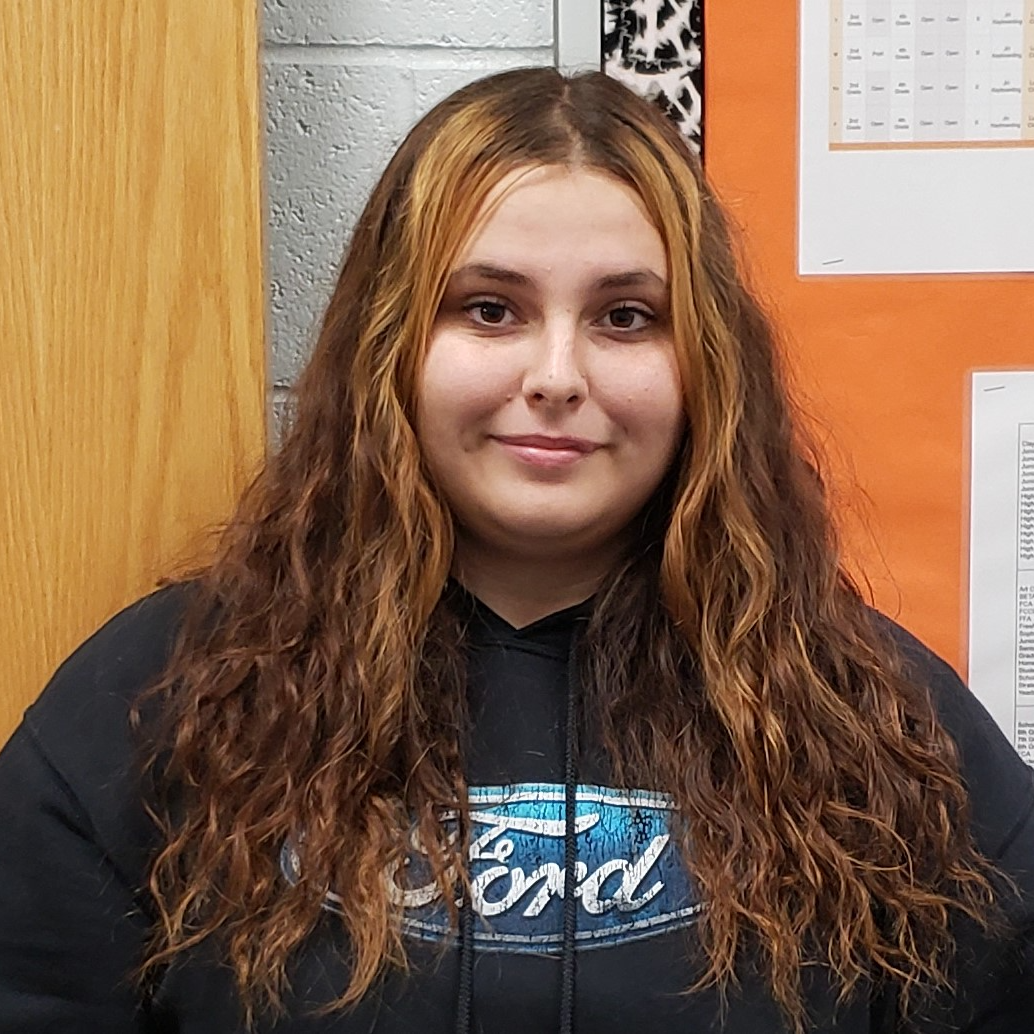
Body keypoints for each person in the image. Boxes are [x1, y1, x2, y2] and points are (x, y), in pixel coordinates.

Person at [0, 67, 1031, 1034]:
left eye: (625, 318)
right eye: (489, 309)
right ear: (388, 345)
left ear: (704, 368)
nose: (555, 373)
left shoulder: (873, 723)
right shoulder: (158, 703)